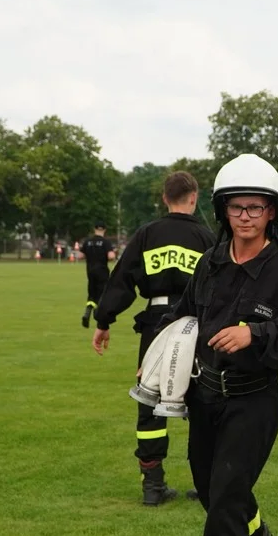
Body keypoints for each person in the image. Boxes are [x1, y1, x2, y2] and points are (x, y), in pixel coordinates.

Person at [155, 153, 278, 536]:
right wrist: (158, 353)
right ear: (223, 211)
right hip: (204, 396)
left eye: (256, 207)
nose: (246, 217)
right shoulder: (208, 263)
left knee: (226, 496)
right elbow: (183, 316)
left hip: (254, 400)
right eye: (237, 207)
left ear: (273, 212)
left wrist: (257, 333)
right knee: (213, 492)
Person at [92, 171, 216, 506]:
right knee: (202, 403)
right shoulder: (206, 237)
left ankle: (152, 484)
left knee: (150, 401)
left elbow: (121, 280)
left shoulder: (147, 235)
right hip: (196, 327)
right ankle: (205, 484)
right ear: (193, 198)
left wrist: (104, 320)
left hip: (156, 325)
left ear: (164, 198)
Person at [80, 222, 117, 328]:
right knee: (102, 295)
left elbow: (81, 255)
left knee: (92, 294)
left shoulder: (88, 241)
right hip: (102, 272)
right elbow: (110, 256)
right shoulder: (105, 242)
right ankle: (99, 318)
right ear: (104, 230)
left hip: (90, 272)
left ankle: (88, 312)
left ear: (94, 229)